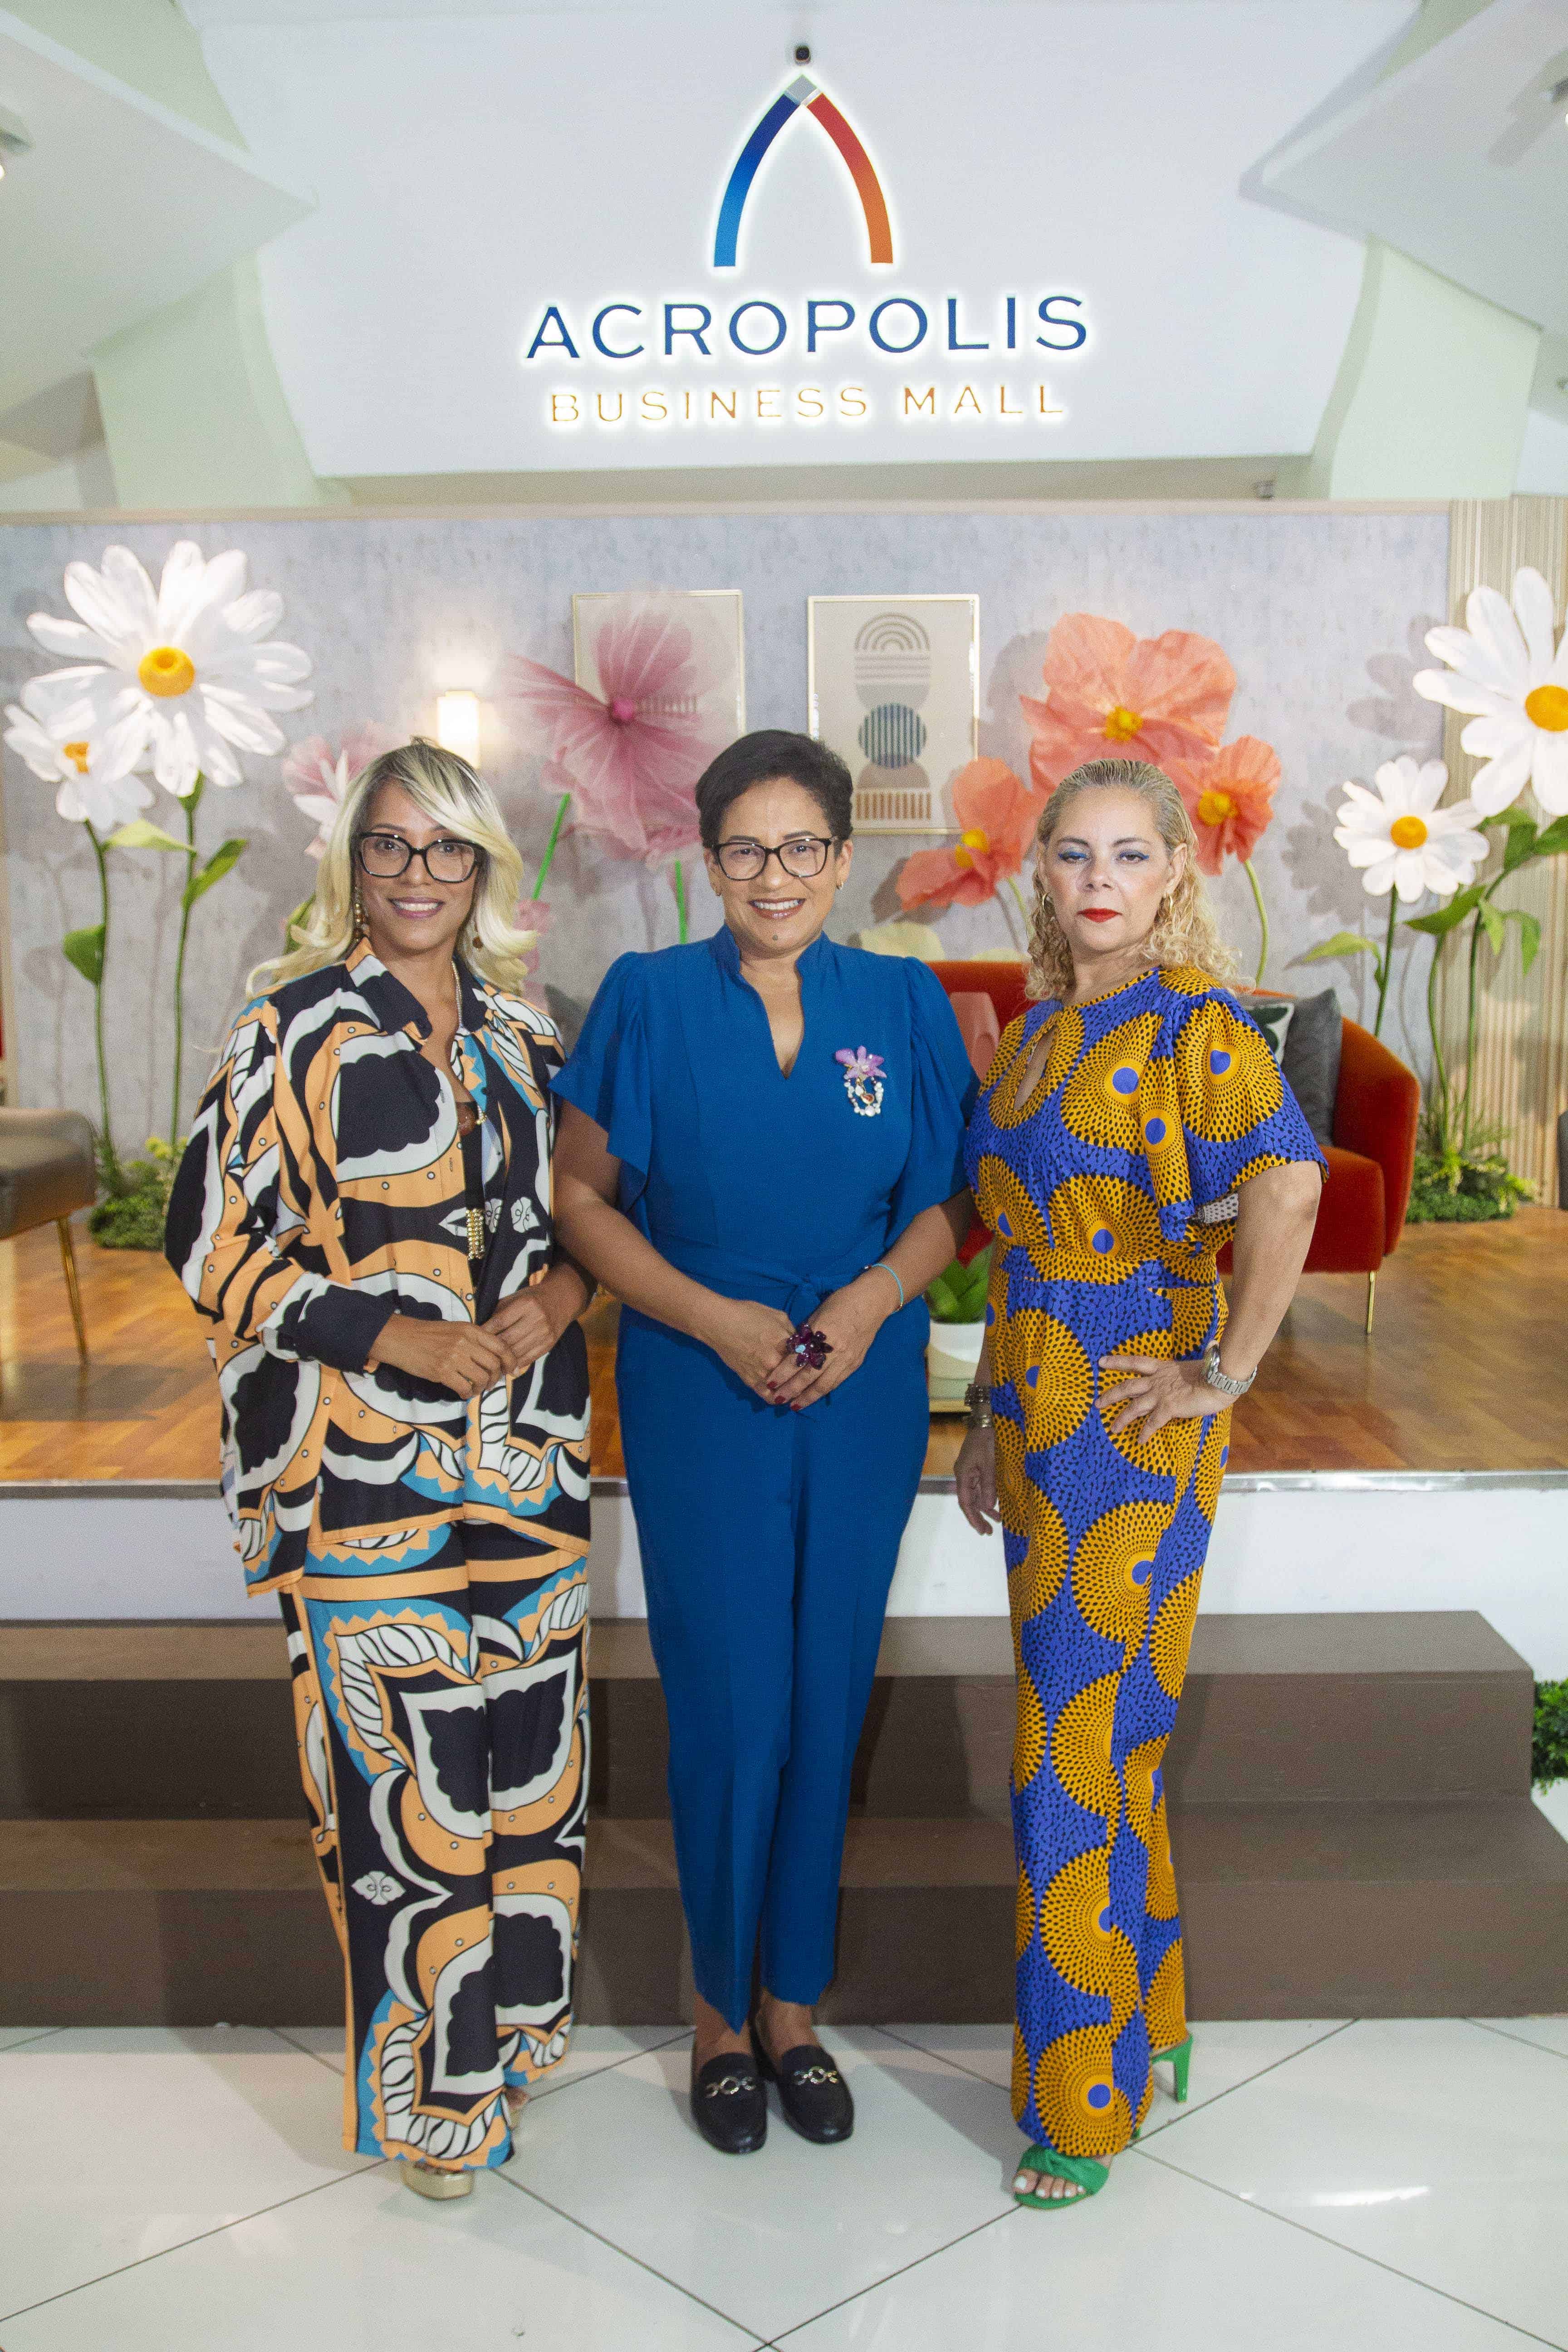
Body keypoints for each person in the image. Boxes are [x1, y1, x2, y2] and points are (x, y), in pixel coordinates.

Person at [166, 741, 591, 2200]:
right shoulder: (285, 1027)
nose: (419, 875)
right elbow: (209, 1244)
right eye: (392, 847)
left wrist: (561, 1300)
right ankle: (435, 2108)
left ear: (485, 870)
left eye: (448, 849)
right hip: (354, 1471)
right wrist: (393, 1334)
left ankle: (513, 2043)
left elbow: (587, 1219)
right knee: (410, 1787)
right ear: (353, 860)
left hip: (527, 1460)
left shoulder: (528, 1035)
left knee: (531, 1769)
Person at [552, 730, 976, 2154]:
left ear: (843, 860)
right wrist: (712, 1318)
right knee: (732, 1703)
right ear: (709, 859)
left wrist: (866, 1306)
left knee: (825, 1692)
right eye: (746, 848)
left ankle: (793, 2010)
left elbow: (951, 1201)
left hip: (861, 1384)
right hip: (699, 1380)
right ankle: (717, 2017)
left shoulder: (903, 1002)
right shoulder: (650, 996)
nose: (775, 874)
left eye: (803, 848)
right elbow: (581, 1198)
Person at [954, 756, 1324, 2211]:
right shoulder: (1044, 1030)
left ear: (1175, 870)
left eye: (1127, 854)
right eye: (1071, 854)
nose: (1097, 879)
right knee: (1113, 1737)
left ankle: (1083, 2106)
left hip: (1128, 1413)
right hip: (1035, 1403)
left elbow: (1288, 1184)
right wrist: (986, 1418)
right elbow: (1015, 1244)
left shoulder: (1194, 1025)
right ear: (1041, 874)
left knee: (1067, 1755)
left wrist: (1223, 1373)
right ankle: (1152, 2021)